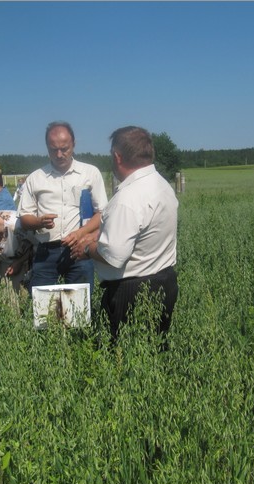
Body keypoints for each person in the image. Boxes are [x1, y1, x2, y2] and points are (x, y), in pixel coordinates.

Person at [71, 126, 179, 344]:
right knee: (154, 350)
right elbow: (137, 230)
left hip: (132, 292)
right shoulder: (161, 185)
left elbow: (114, 255)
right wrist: (97, 237)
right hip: (164, 282)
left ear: (117, 156)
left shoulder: (127, 198)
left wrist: (85, 249)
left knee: (120, 357)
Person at [19, 121, 108, 294]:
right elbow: (24, 218)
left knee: (80, 305)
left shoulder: (90, 173)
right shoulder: (36, 178)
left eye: (64, 148)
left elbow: (101, 213)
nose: (59, 154)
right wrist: (38, 222)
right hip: (45, 251)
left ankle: (77, 322)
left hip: (79, 248)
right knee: (42, 307)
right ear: (47, 148)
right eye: (53, 149)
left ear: (74, 144)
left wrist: (80, 233)